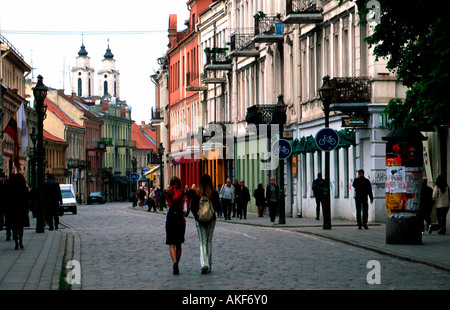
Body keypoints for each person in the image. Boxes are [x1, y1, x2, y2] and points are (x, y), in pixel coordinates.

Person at [190, 174, 221, 274]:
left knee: (202, 242)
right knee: (208, 241)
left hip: (200, 220)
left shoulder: (196, 193)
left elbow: (193, 207)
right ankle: (209, 265)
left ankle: (204, 264)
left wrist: (198, 216)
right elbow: (217, 206)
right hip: (211, 219)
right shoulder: (213, 193)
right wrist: (212, 213)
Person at [164, 176, 189, 275]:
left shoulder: (167, 194)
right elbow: (186, 210)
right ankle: (177, 263)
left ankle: (174, 262)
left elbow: (166, 206)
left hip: (170, 220)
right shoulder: (183, 195)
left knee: (171, 244)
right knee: (179, 244)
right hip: (180, 220)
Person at [5, 173, 30, 250]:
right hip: (22, 209)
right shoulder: (24, 188)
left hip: (12, 209)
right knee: (21, 226)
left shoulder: (9, 187)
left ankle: (16, 242)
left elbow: (6, 198)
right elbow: (27, 199)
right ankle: (21, 242)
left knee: (14, 226)